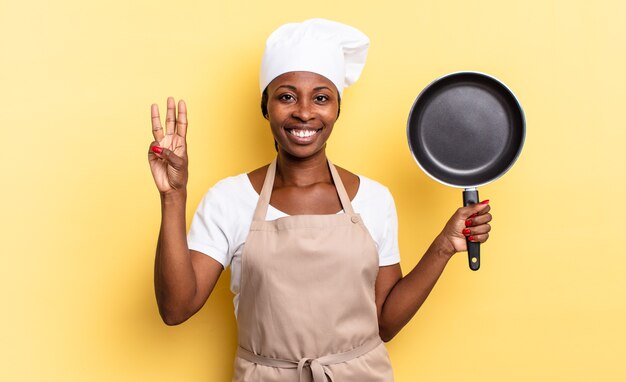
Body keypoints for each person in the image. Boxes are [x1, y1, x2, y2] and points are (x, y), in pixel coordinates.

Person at [147, 18, 492, 382]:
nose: (305, 112)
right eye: (286, 96)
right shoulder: (229, 199)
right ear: (266, 107)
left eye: (322, 98)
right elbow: (176, 308)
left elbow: (385, 323)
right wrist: (174, 196)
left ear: (337, 109)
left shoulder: (374, 199)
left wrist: (443, 246)